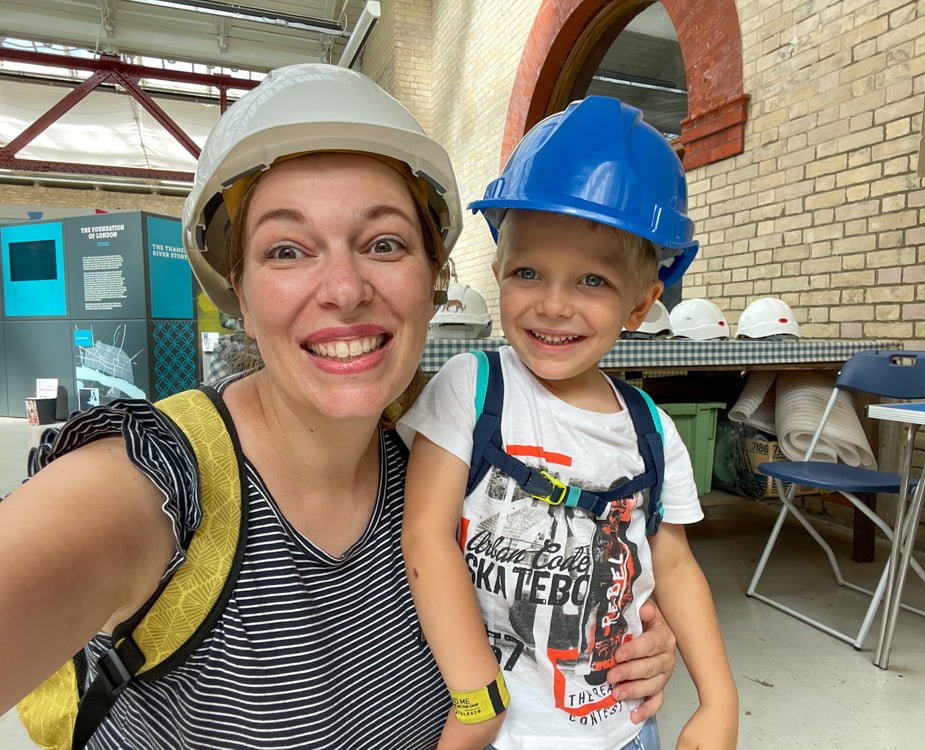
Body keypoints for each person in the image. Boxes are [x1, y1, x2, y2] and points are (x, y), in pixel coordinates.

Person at [0, 65, 678, 749]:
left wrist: (634, 643)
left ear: (434, 280)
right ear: (239, 289)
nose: (345, 288)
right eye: (287, 249)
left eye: (384, 243)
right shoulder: (159, 483)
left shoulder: (448, 474)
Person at [399, 96, 739, 750]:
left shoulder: (650, 432)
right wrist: (476, 705)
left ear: (641, 302)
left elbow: (674, 565)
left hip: (623, 731)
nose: (553, 304)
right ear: (497, 271)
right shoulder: (473, 391)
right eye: (528, 272)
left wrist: (719, 698)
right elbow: (425, 538)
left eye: (591, 281)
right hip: (502, 734)